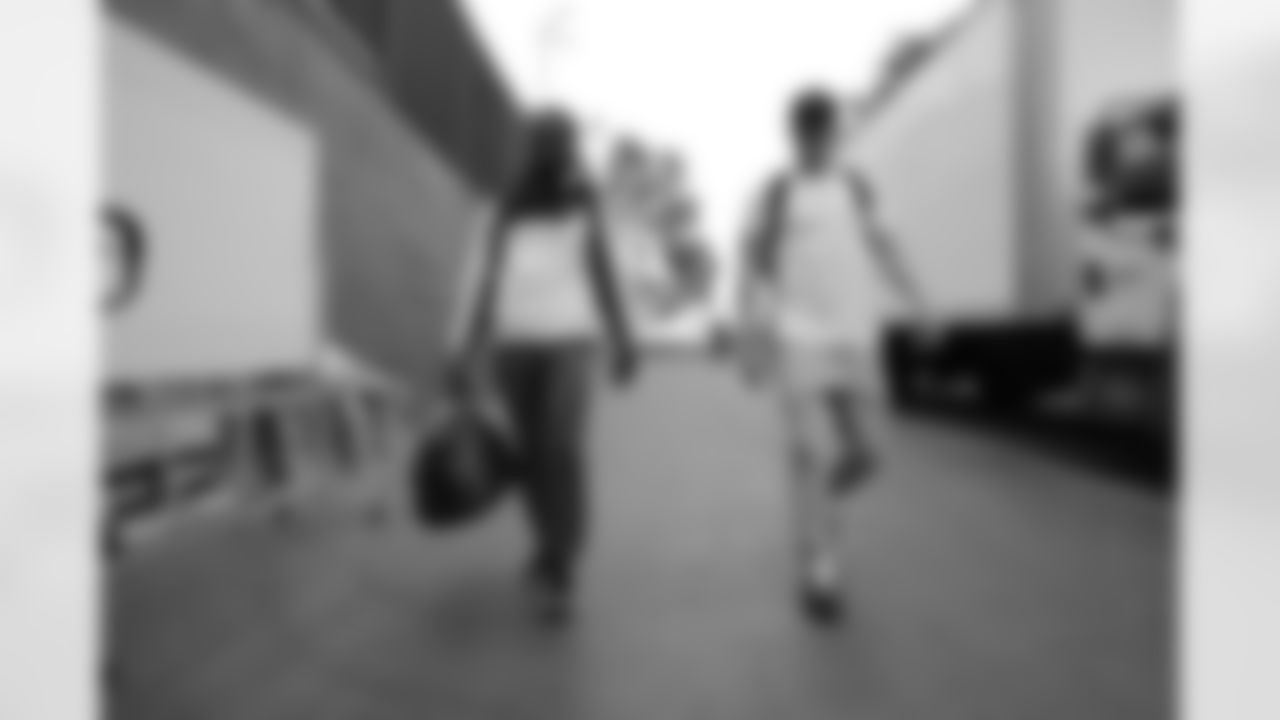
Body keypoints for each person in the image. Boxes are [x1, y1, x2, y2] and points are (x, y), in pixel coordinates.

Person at [738, 88, 931, 624]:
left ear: (835, 133)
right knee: (806, 452)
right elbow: (754, 264)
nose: (818, 143)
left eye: (825, 133)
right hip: (799, 337)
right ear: (794, 135)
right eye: (808, 133)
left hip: (854, 339)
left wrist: (920, 304)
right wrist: (750, 334)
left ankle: (821, 508)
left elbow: (886, 245)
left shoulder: (856, 187)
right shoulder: (777, 193)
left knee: (866, 455)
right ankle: (822, 568)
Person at [446, 109, 640, 624]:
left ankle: (562, 562)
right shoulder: (502, 210)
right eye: (551, 146)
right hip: (513, 346)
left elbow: (604, 273)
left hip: (571, 342)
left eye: (565, 146)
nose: (560, 156)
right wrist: (461, 348)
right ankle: (549, 547)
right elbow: (481, 281)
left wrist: (624, 338)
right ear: (532, 150)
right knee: (531, 457)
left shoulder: (585, 204)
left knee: (561, 448)